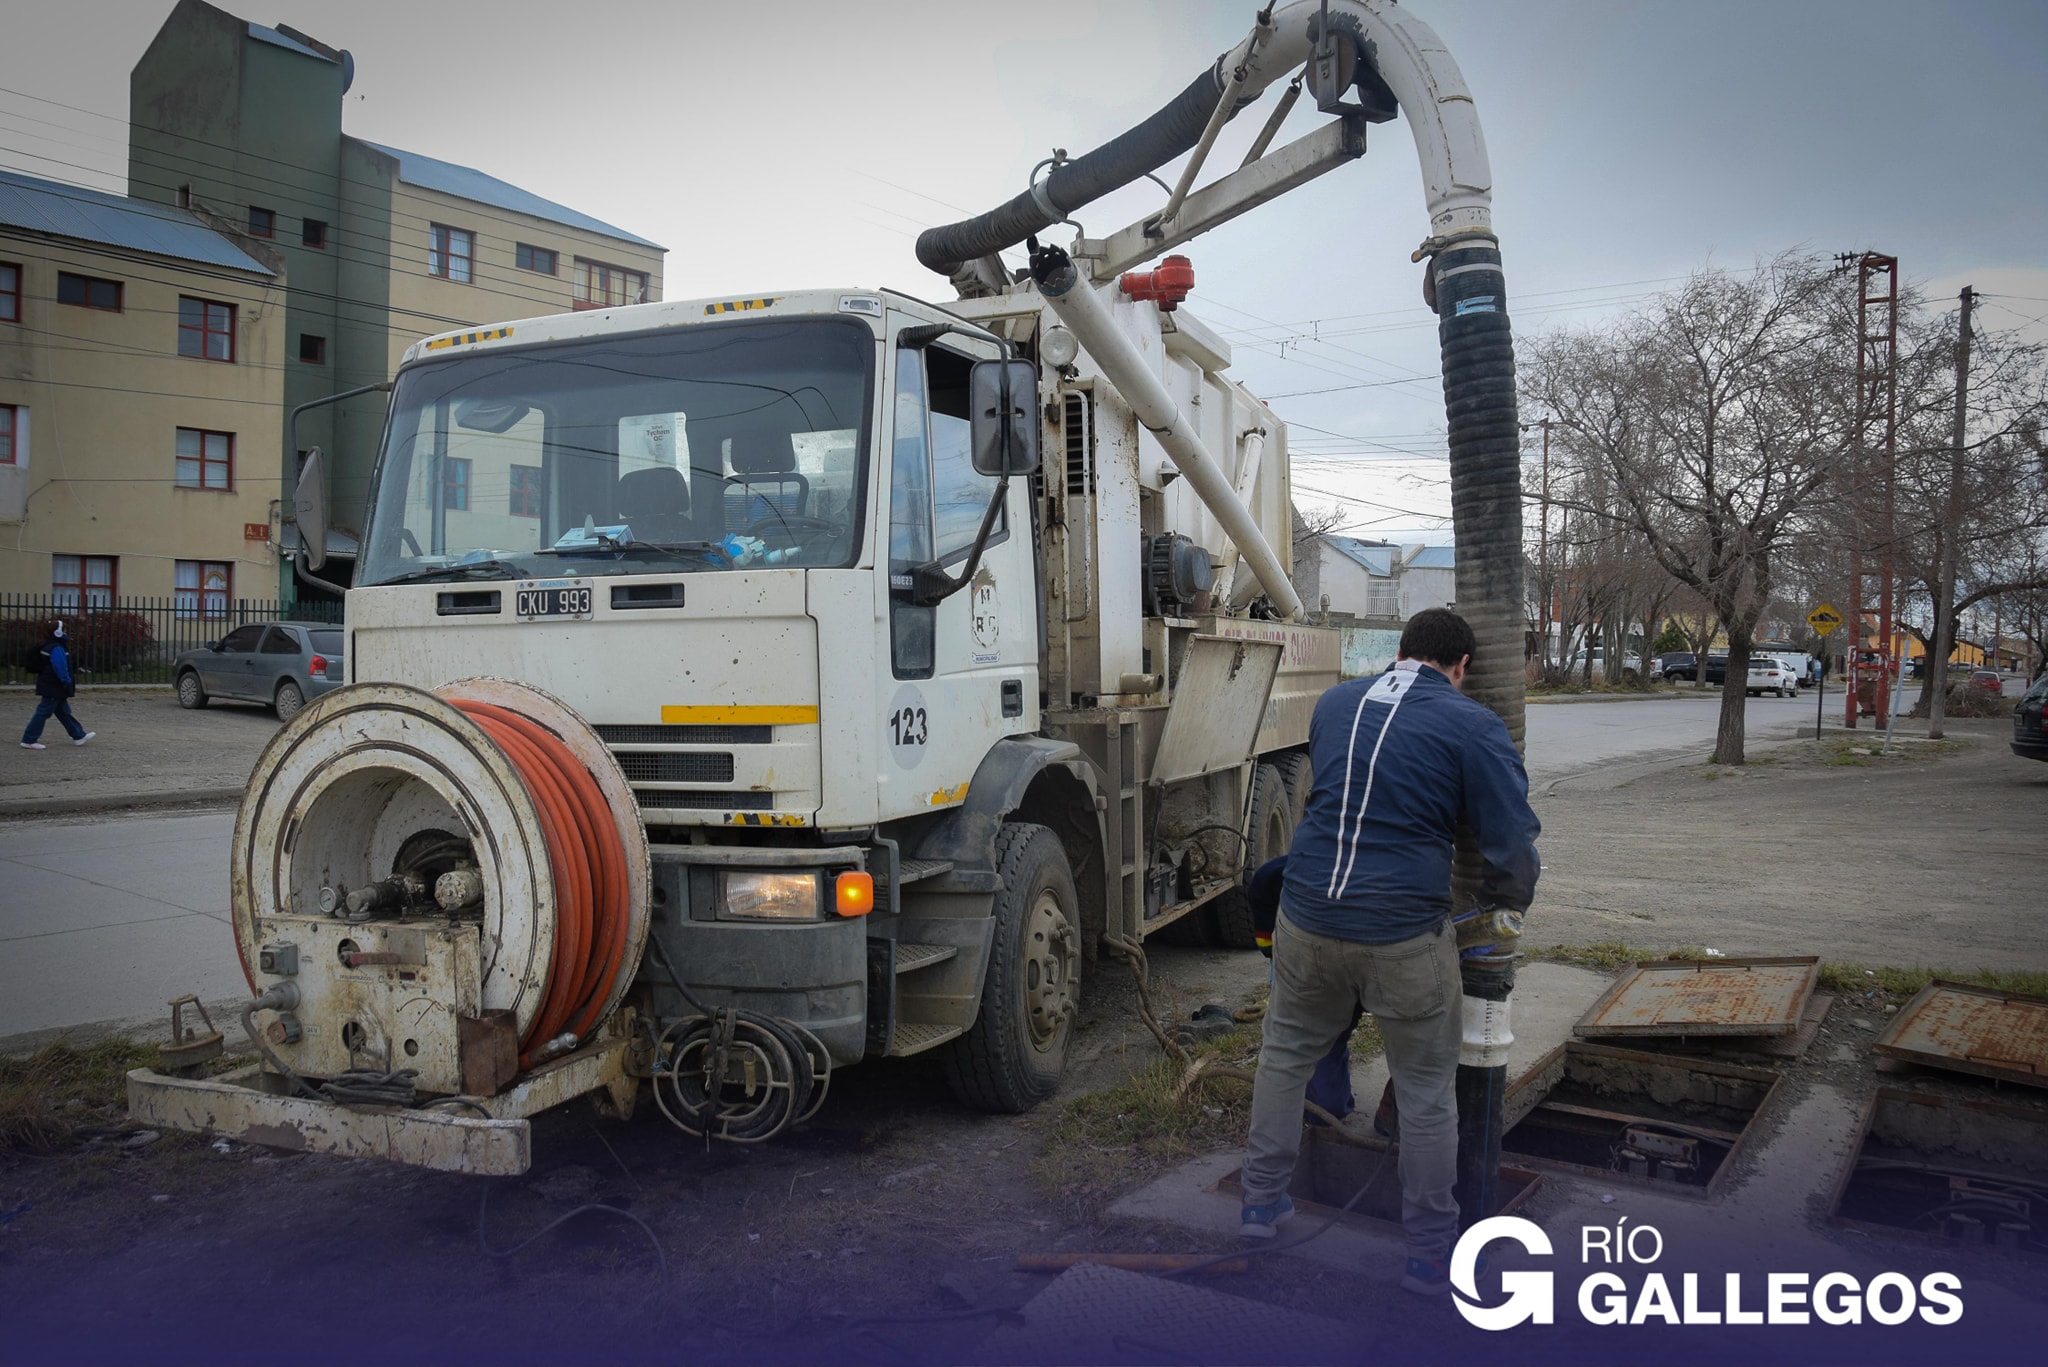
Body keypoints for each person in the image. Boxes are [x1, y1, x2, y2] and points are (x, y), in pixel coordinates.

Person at [1237, 608, 1539, 1297]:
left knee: (1283, 1054)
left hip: (1307, 916)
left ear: (1399, 652)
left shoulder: (1336, 701)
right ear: (1460, 668)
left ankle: (1259, 1204)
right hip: (1404, 935)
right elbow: (1512, 844)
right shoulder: (1473, 723)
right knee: (1429, 1096)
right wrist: (1501, 906)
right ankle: (1431, 1255)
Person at [20, 618, 95, 750]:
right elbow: (59, 666)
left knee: (63, 711)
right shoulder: (57, 648)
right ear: (59, 632)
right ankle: (29, 739)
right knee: (43, 712)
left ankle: (78, 735)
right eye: (65, 630)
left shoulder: (48, 646)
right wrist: (66, 681)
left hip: (50, 683)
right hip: (54, 684)